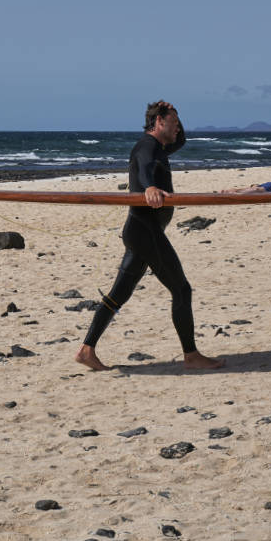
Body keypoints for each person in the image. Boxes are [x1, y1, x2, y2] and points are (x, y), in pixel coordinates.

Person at [75, 101, 223, 373]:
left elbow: (182, 140)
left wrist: (176, 116)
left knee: (118, 295)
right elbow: (143, 166)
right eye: (174, 121)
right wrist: (150, 186)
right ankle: (191, 355)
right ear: (159, 122)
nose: (178, 126)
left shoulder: (162, 147)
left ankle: (86, 350)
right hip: (145, 231)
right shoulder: (147, 146)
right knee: (181, 290)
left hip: (140, 232)